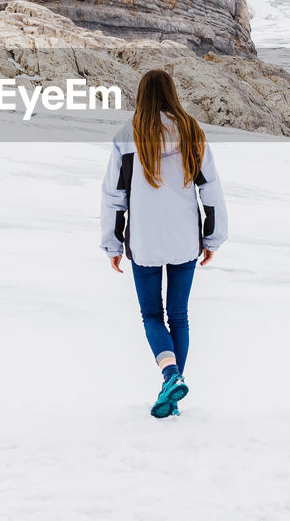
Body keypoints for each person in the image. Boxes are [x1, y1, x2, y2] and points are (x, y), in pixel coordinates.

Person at [100, 68, 227, 419]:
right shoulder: (191, 132)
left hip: (145, 241)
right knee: (179, 317)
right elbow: (210, 189)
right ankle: (172, 391)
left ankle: (170, 377)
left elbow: (115, 196)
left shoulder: (129, 136)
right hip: (185, 238)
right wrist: (213, 237)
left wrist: (112, 244)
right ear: (172, 93)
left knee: (152, 315)